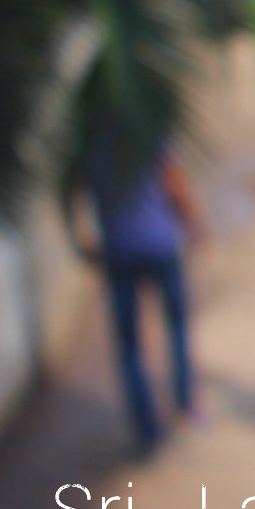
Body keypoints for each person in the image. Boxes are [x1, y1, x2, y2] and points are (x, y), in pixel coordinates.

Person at [63, 129, 203, 456]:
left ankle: (147, 429)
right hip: (161, 244)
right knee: (177, 327)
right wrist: (194, 227)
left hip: (119, 250)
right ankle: (184, 407)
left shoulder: (90, 138)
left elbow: (72, 194)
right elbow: (174, 183)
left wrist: (83, 242)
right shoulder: (148, 127)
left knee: (130, 345)